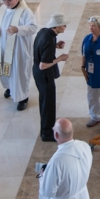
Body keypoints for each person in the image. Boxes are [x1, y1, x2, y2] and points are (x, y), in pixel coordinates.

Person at [0, 0, 38, 110]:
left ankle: (23, 98)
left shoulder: (25, 11)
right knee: (6, 69)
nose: (6, 3)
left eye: (9, 0)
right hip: (4, 47)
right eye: (4, 0)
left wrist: (18, 29)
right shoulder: (2, 8)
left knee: (19, 72)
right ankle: (10, 87)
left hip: (18, 50)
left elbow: (33, 27)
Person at [38, 119, 93, 199]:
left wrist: (42, 176)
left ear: (56, 135)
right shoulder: (84, 146)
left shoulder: (57, 161)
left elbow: (47, 192)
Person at [34, 14, 70, 142]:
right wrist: (60, 58)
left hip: (37, 74)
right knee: (48, 104)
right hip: (44, 76)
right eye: (63, 25)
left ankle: (46, 128)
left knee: (45, 102)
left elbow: (41, 47)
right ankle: (47, 133)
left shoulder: (44, 32)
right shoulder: (49, 40)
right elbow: (43, 65)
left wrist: (56, 46)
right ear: (57, 26)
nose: (65, 27)